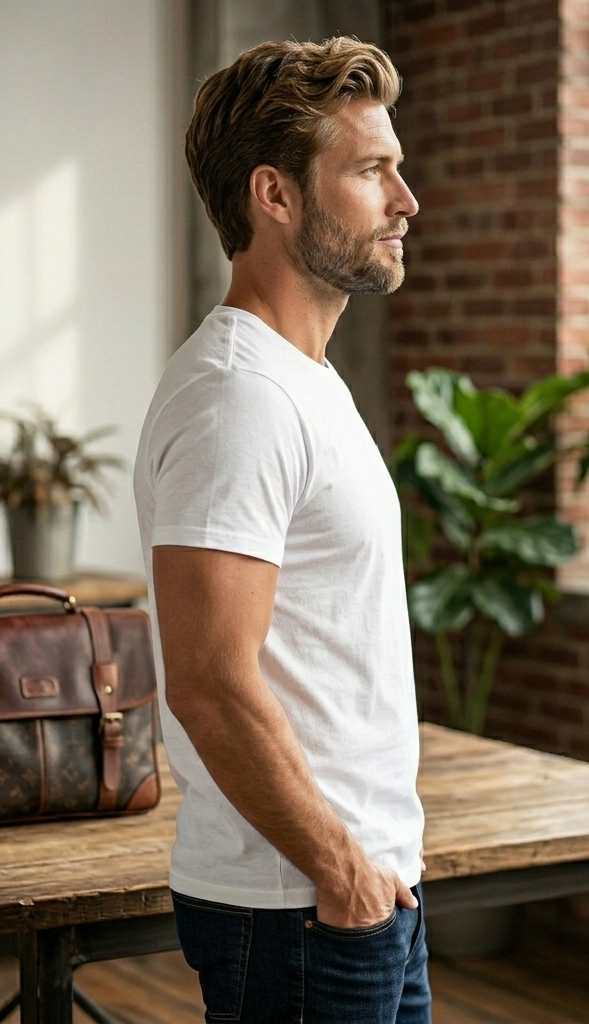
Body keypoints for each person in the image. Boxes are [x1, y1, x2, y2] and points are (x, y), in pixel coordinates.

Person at [133, 36, 427, 1024]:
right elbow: (210, 682)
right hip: (300, 903)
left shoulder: (304, 381)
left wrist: (366, 874)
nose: (405, 200)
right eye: (370, 170)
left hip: (359, 892)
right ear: (276, 194)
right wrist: (340, 868)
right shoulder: (238, 396)